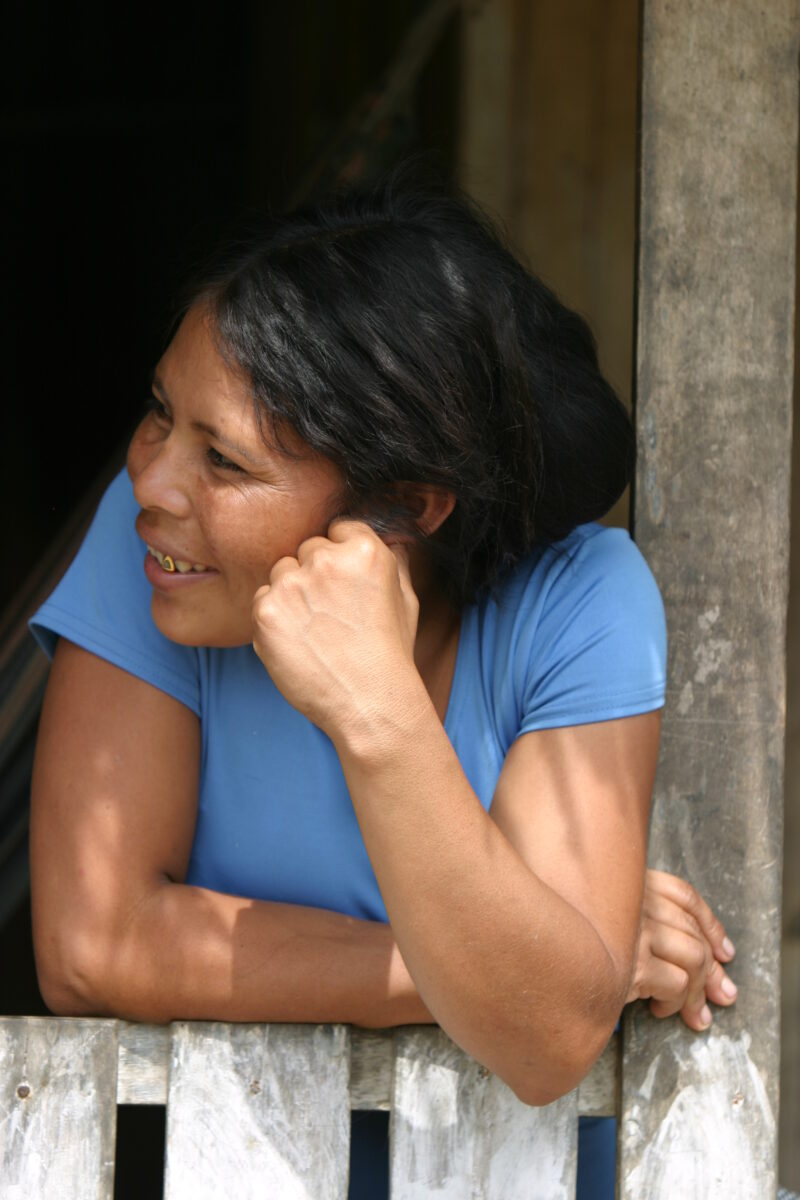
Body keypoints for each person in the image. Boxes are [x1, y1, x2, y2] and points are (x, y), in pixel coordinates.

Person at [28, 178, 736, 1198]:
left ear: (405, 507)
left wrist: (380, 713)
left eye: (222, 459)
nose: (152, 480)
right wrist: (504, 968)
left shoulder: (579, 600)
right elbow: (94, 946)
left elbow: (541, 1049)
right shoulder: (154, 552)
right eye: (157, 413)